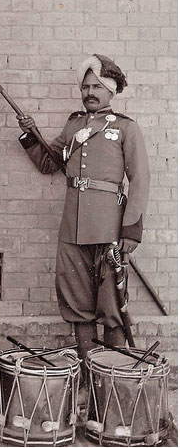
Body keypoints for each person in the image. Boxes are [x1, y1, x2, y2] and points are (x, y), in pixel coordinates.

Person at [16, 54, 150, 393]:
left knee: (111, 305)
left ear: (111, 91)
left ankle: (114, 386)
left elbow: (140, 180)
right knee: (77, 304)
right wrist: (32, 136)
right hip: (72, 230)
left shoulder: (125, 128)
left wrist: (130, 231)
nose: (90, 92)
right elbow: (49, 163)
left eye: (97, 87)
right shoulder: (74, 126)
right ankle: (89, 381)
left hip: (108, 230)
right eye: (86, 86)